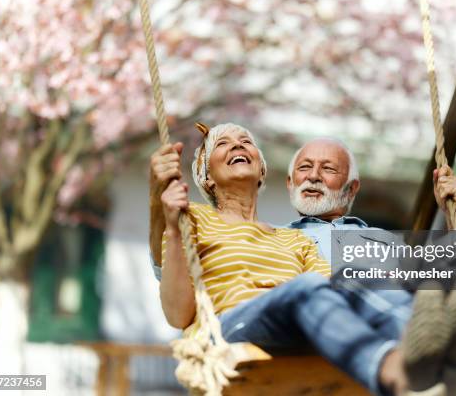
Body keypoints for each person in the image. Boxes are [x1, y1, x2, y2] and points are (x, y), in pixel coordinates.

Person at [158, 121, 410, 395]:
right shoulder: (190, 216)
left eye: (246, 141)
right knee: (304, 287)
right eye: (222, 143)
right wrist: (164, 213)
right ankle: (393, 371)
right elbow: (176, 308)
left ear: (262, 171)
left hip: (290, 325)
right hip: (229, 329)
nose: (237, 145)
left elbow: (334, 289)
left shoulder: (292, 239)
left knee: (354, 277)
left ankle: (424, 354)